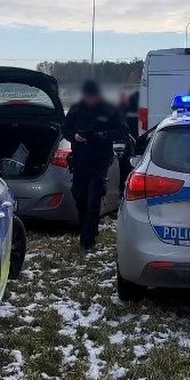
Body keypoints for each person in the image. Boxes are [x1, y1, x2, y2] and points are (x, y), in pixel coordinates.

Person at [62, 79, 129, 252]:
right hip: (80, 160)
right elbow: (65, 129)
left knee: (93, 199)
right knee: (80, 198)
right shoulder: (77, 109)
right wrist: (74, 136)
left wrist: (100, 135)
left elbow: (122, 131)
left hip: (99, 161)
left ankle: (87, 241)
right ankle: (88, 230)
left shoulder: (109, 110)